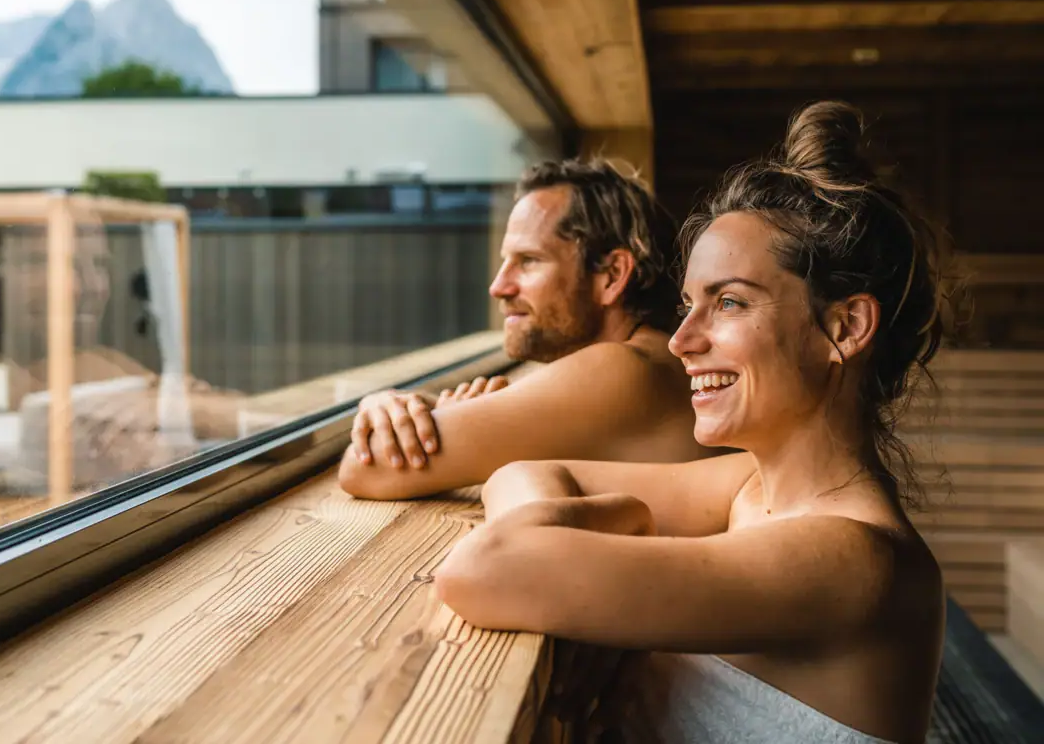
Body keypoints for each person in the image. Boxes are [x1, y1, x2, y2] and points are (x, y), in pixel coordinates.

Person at [434, 101, 951, 744]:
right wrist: (617, 542)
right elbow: (522, 474)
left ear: (844, 328)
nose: (681, 340)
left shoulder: (856, 560)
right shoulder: (751, 489)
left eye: (729, 302)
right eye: (687, 305)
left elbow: (485, 569)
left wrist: (603, 563)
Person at [339, 159, 708, 501]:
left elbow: (364, 466)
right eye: (505, 262)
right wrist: (398, 404)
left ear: (611, 275)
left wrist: (394, 413)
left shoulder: (623, 370)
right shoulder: (654, 360)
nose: (498, 286)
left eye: (529, 261)